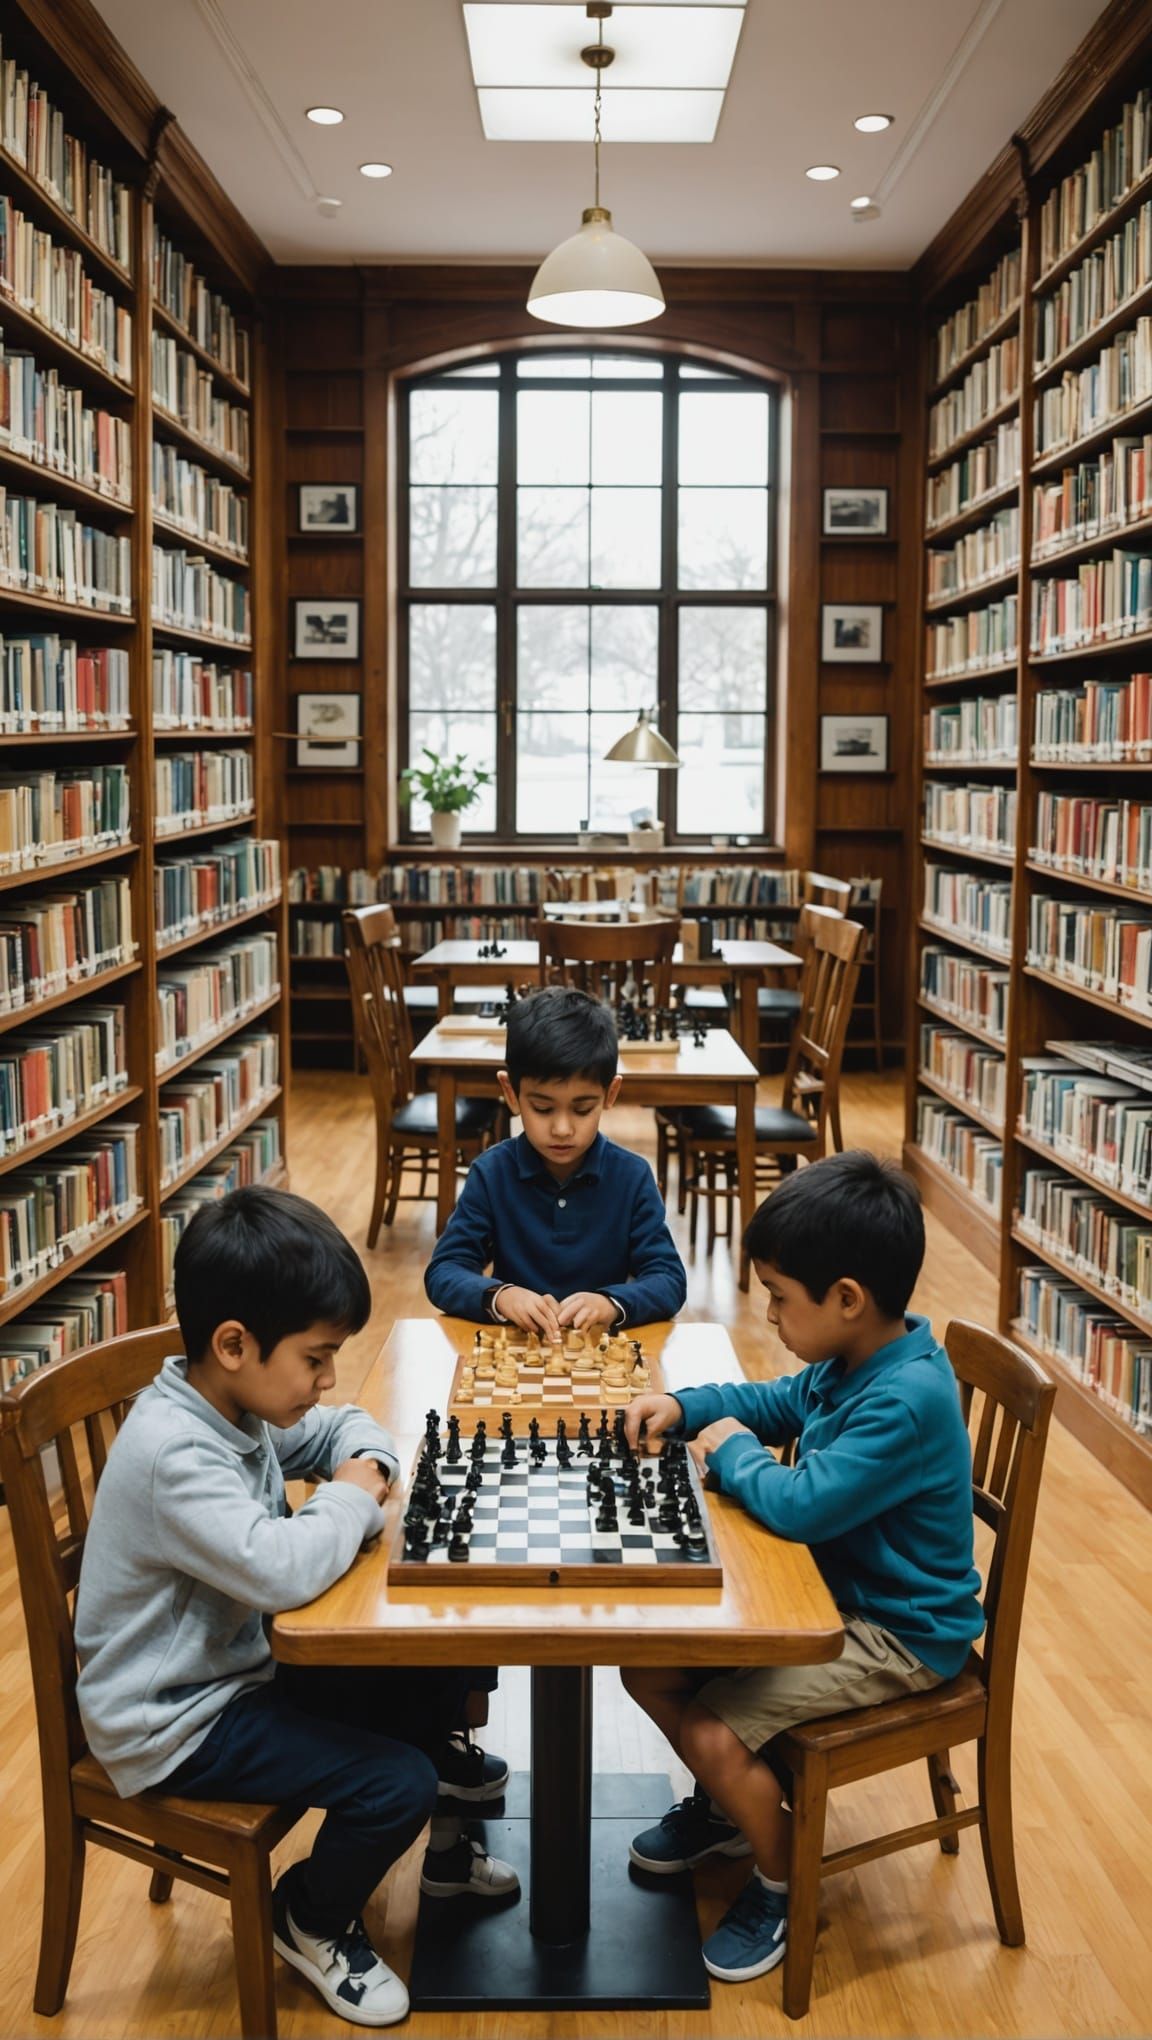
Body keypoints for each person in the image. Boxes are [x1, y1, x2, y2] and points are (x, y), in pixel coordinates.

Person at [75, 1185, 517, 2031]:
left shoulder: (231, 1401)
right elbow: (280, 1571)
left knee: (431, 1661)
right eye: (315, 1358)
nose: (327, 1379)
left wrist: (364, 1466)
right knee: (398, 1781)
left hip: (232, 1673)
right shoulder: (178, 1454)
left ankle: (446, 1851)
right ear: (235, 1344)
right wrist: (353, 1498)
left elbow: (346, 1428)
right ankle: (309, 1917)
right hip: (173, 1723)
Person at [620, 1151, 984, 1987]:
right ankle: (728, 1808)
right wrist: (687, 1409)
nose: (771, 1313)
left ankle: (786, 1881)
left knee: (712, 1729)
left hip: (896, 1634)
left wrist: (736, 1454)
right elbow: (773, 1402)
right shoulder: (854, 1358)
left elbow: (802, 1505)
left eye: (781, 1299)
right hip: (830, 1599)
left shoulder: (905, 1399)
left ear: (847, 1299)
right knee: (644, 1662)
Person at [424, 984, 687, 1337]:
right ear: (511, 1094)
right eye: (543, 1108)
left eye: (582, 1109)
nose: (562, 1129)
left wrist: (612, 1303)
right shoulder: (491, 1174)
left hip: (600, 1359)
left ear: (611, 1094)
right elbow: (444, 1270)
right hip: (517, 1357)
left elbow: (669, 1280)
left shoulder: (632, 1177)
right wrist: (501, 1296)